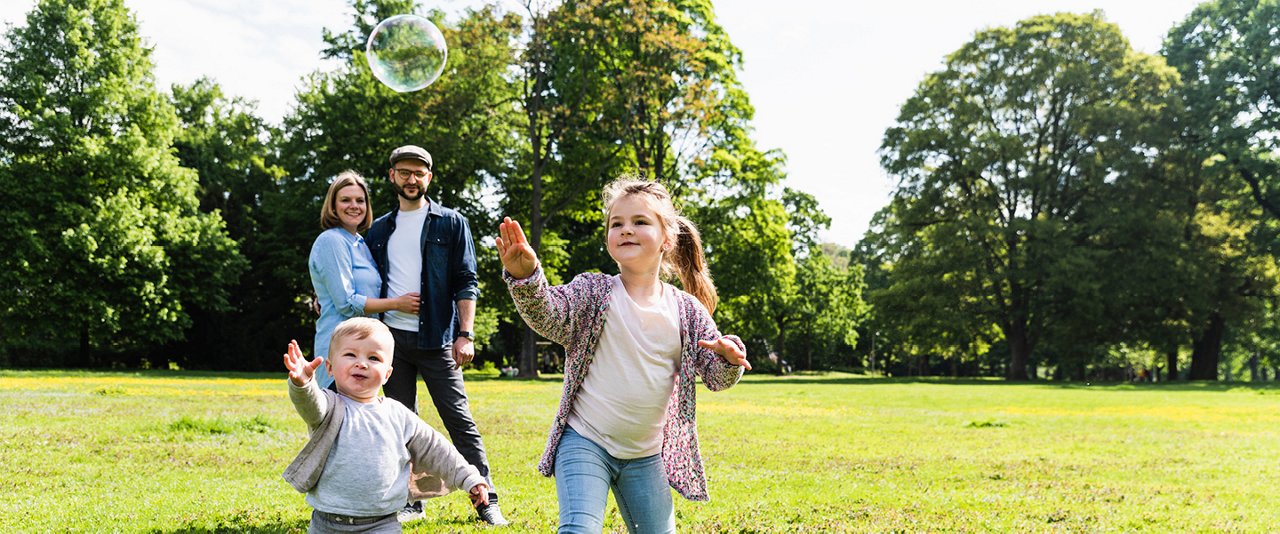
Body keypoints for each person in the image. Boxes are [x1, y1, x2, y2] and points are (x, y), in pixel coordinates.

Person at [496, 178, 752, 533]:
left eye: (640, 222)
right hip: (585, 440)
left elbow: (716, 377)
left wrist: (727, 357)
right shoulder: (595, 291)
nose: (626, 230)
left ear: (667, 239)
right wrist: (525, 277)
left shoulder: (686, 310)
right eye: (617, 223)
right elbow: (550, 316)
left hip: (645, 456)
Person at [365, 145, 507, 525]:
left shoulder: (451, 222)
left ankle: (486, 498)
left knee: (459, 420)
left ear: (429, 177)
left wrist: (466, 333)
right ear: (392, 175)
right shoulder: (378, 229)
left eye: (419, 173)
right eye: (404, 172)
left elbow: (467, 281)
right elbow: (363, 279)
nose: (412, 179)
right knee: (401, 422)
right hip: (391, 343)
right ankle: (412, 500)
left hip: (438, 340)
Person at [281, 317, 490, 533]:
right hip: (327, 523)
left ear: (387, 374)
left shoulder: (398, 415)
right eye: (350, 354)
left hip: (382, 524)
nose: (361, 363)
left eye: (373, 358)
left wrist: (470, 478)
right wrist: (303, 384)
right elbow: (310, 405)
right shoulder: (329, 406)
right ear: (330, 368)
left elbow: (437, 449)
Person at [308, 171, 419, 388]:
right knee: (336, 418)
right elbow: (347, 303)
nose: (354, 205)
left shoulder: (359, 243)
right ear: (333, 206)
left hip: (364, 352)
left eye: (360, 200)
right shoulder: (331, 240)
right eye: (345, 200)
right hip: (341, 351)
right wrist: (398, 304)